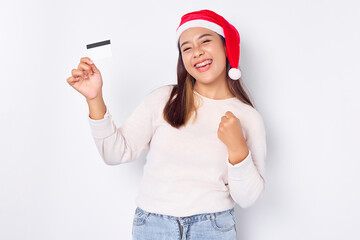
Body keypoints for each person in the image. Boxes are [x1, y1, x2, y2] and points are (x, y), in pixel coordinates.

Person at [66, 9, 266, 240]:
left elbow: (248, 198)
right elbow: (115, 153)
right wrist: (94, 98)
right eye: (187, 48)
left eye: (205, 41)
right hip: (153, 227)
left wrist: (238, 149)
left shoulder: (248, 117)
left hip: (213, 228)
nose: (197, 52)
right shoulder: (163, 99)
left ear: (225, 47)